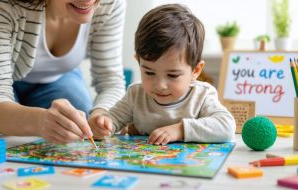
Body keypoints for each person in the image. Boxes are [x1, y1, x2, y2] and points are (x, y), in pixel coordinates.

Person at [0, 0, 126, 144]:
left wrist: (101, 114)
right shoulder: (3, 4)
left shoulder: (110, 3)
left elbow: (111, 81)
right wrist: (38, 121)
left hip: (59, 77)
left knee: (78, 119)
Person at [91, 4, 236, 145]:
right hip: (142, 167)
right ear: (139, 62)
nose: (160, 85)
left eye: (172, 75)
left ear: (196, 71)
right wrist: (103, 125)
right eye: (149, 72)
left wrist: (181, 130)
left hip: (185, 168)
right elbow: (112, 120)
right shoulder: (135, 95)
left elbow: (227, 126)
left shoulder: (202, 95)